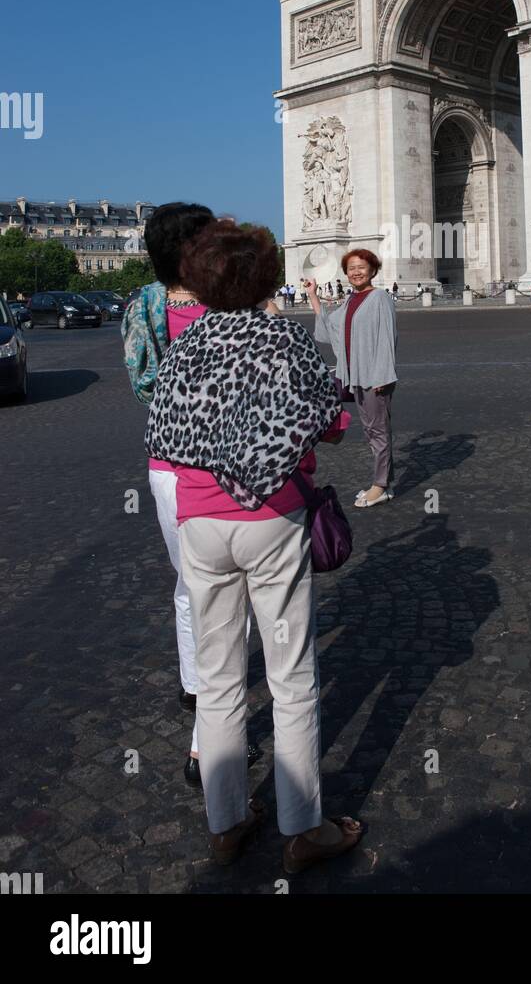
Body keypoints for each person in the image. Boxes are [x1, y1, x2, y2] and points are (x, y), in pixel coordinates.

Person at [146, 219, 362, 871]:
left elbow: (163, 433)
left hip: (200, 520)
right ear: (267, 277)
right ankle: (302, 828)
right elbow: (334, 424)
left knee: (216, 678)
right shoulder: (283, 339)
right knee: (290, 674)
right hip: (272, 516)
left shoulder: (185, 343)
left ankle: (226, 822)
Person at [122, 201, 217, 786]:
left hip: (184, 462)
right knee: (203, 588)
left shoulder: (218, 300)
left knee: (199, 585)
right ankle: (204, 715)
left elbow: (148, 381)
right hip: (192, 464)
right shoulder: (150, 305)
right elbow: (142, 382)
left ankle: (198, 688)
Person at [305, 248, 398, 508]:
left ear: (373, 270)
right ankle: (382, 481)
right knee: (372, 430)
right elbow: (328, 327)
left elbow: (387, 338)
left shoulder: (379, 297)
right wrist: (313, 294)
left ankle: (380, 486)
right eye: (351, 268)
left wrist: (383, 375)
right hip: (355, 374)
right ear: (345, 273)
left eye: (361, 267)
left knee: (378, 431)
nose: (356, 272)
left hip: (374, 376)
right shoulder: (350, 300)